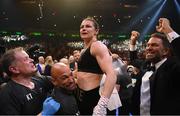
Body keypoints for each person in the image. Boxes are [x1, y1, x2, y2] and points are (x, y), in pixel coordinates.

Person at [130, 18, 180, 115]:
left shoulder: (173, 67)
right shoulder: (146, 65)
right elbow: (134, 60)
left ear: (165, 51)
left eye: (154, 45)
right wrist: (132, 42)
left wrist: (168, 30)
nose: (149, 48)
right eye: (148, 45)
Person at [76, 17, 117, 115]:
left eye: (88, 26)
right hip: (81, 96)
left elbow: (112, 74)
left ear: (96, 31)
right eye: (82, 27)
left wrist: (102, 104)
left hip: (93, 97)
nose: (84, 29)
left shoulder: (97, 46)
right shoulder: (83, 50)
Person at [0, 47, 54, 115]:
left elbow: (59, 80)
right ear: (14, 69)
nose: (31, 60)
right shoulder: (7, 95)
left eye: (29, 57)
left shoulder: (40, 80)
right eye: (26, 59)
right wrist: (44, 114)